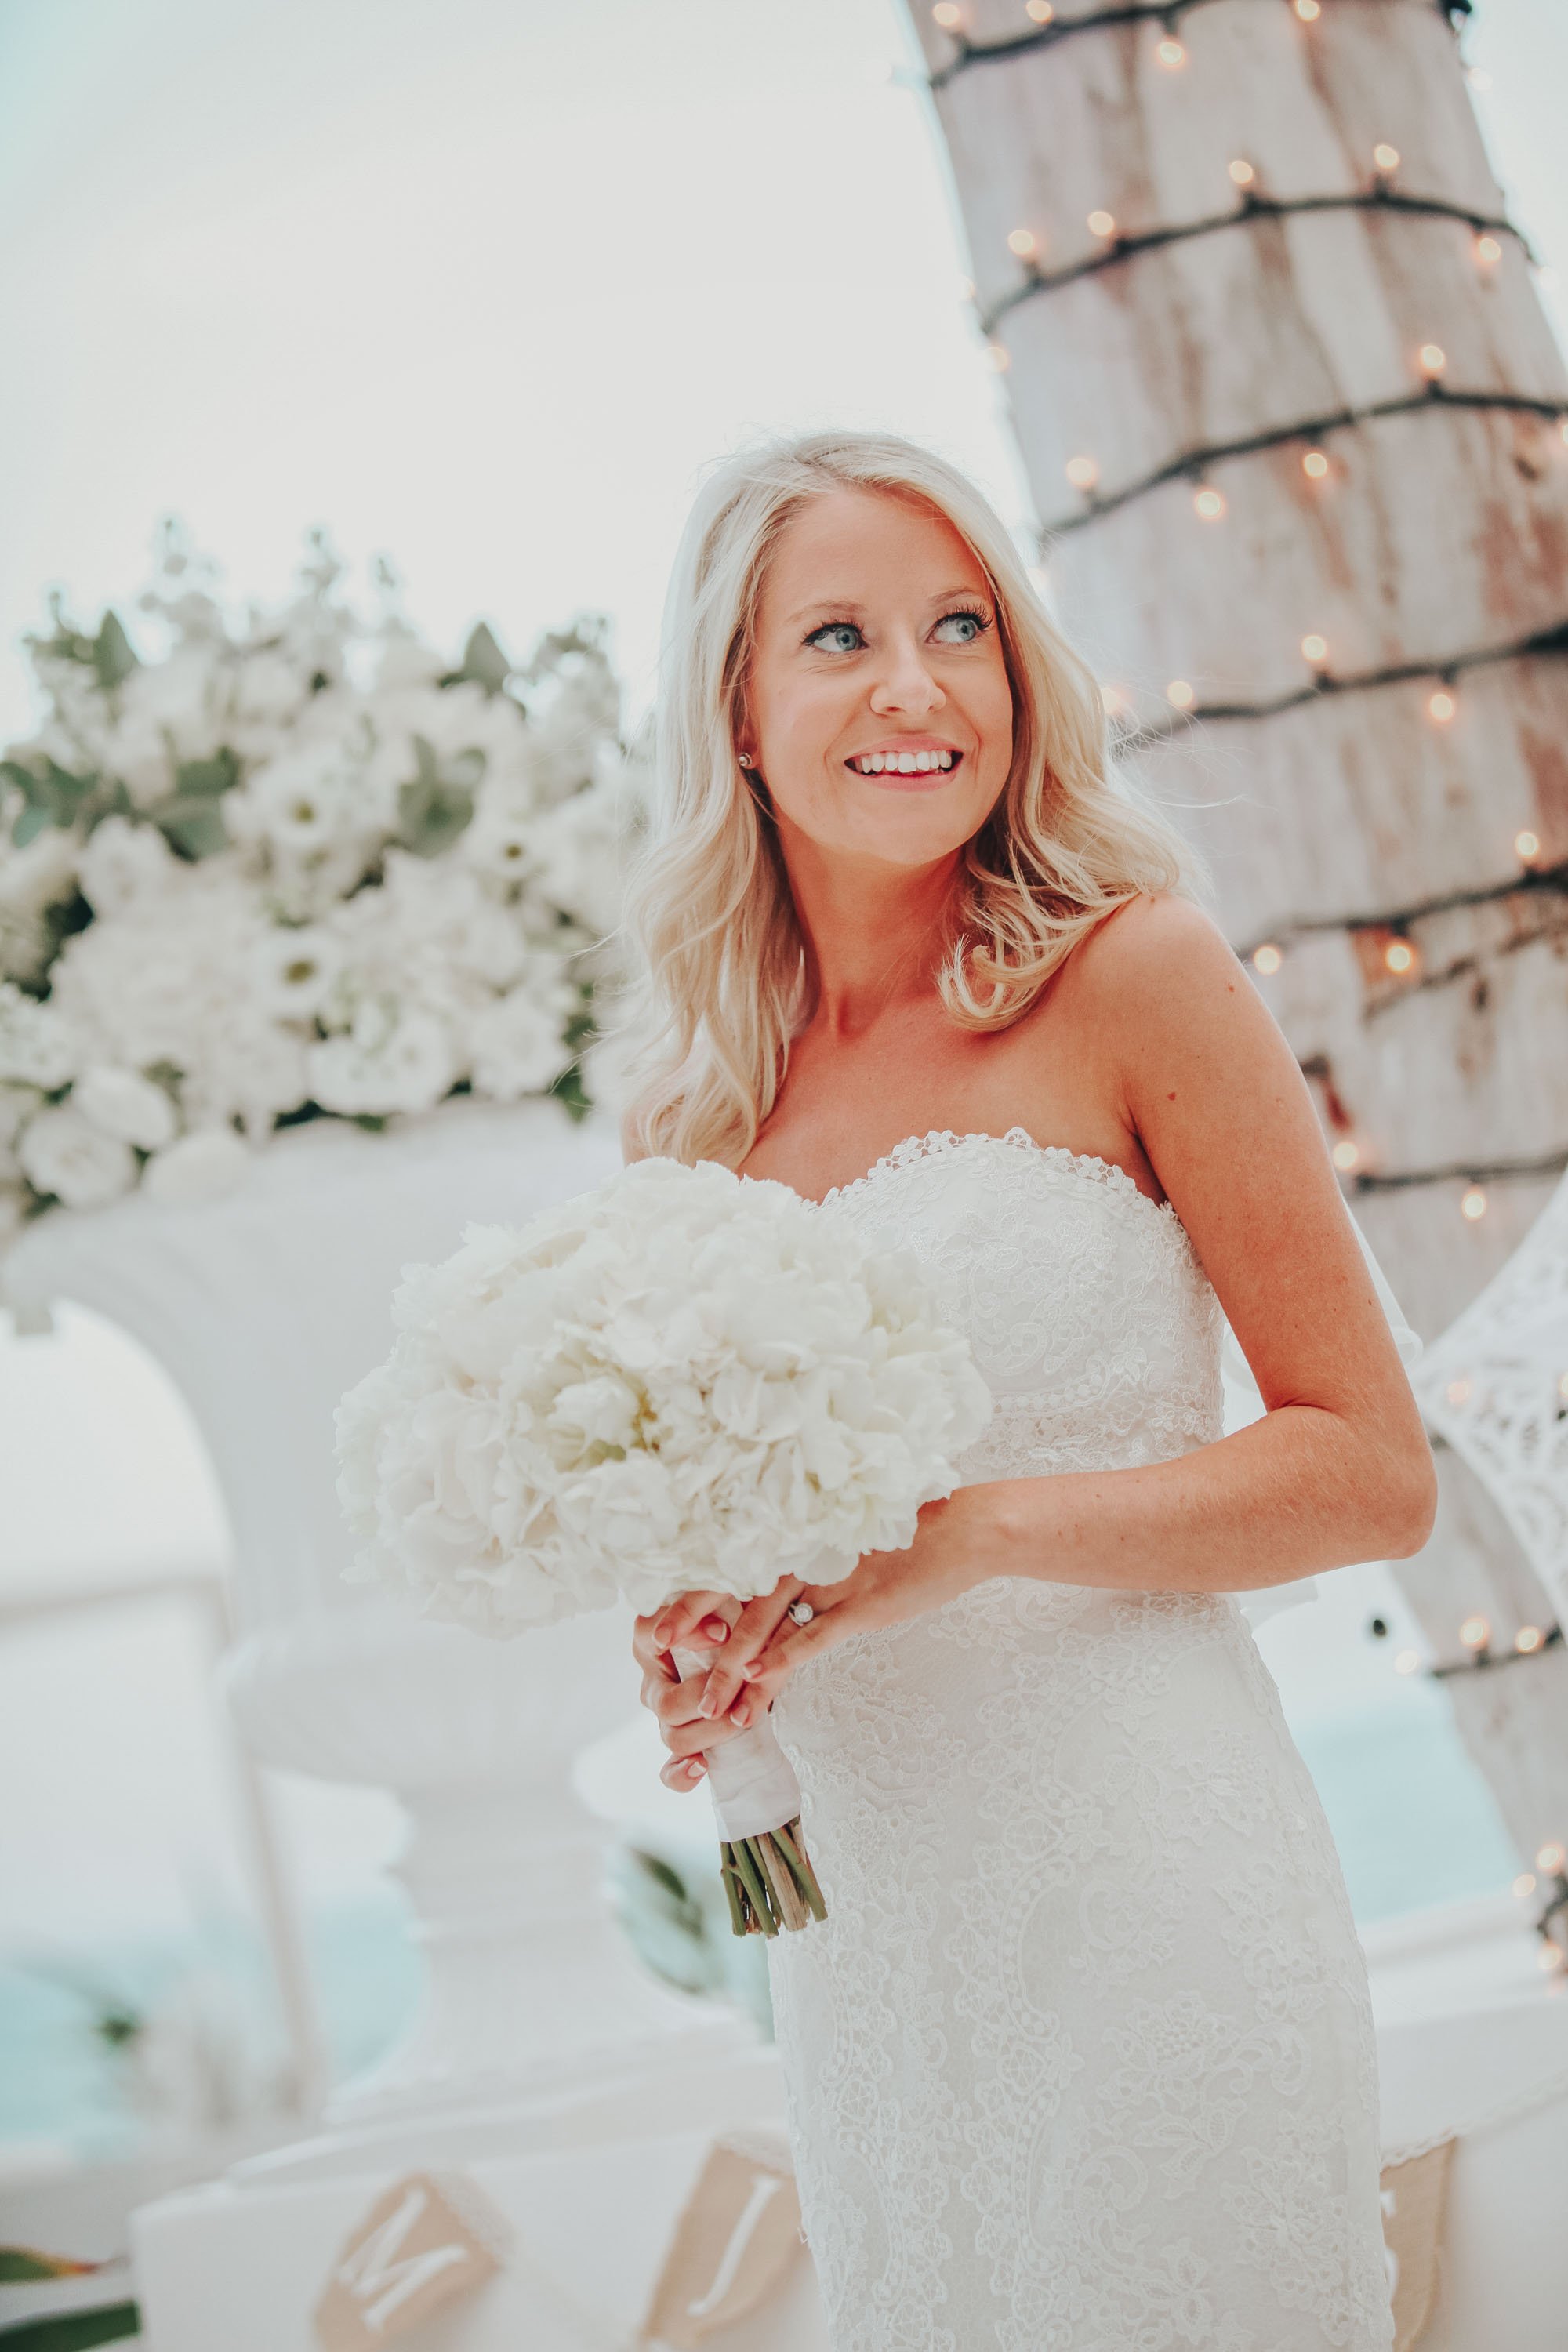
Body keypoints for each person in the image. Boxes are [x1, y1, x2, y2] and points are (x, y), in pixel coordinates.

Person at [611, 426, 1434, 2350]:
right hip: (878, 1949)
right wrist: (706, 1636)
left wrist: (975, 1538)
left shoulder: (1136, 977)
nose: (915, 690)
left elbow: (1368, 1471)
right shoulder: (690, 1114)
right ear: (733, 710)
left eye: (958, 626)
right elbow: (730, 1518)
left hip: (1151, 1874)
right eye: (838, 638)